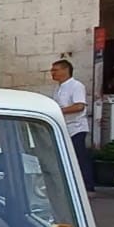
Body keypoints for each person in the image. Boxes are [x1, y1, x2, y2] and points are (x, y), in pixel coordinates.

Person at [50, 59, 92, 193]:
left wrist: (59, 111)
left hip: (76, 127)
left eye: (55, 70)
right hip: (64, 127)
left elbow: (79, 106)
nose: (52, 73)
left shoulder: (76, 86)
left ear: (65, 70)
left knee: (80, 157)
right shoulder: (58, 88)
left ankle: (88, 186)